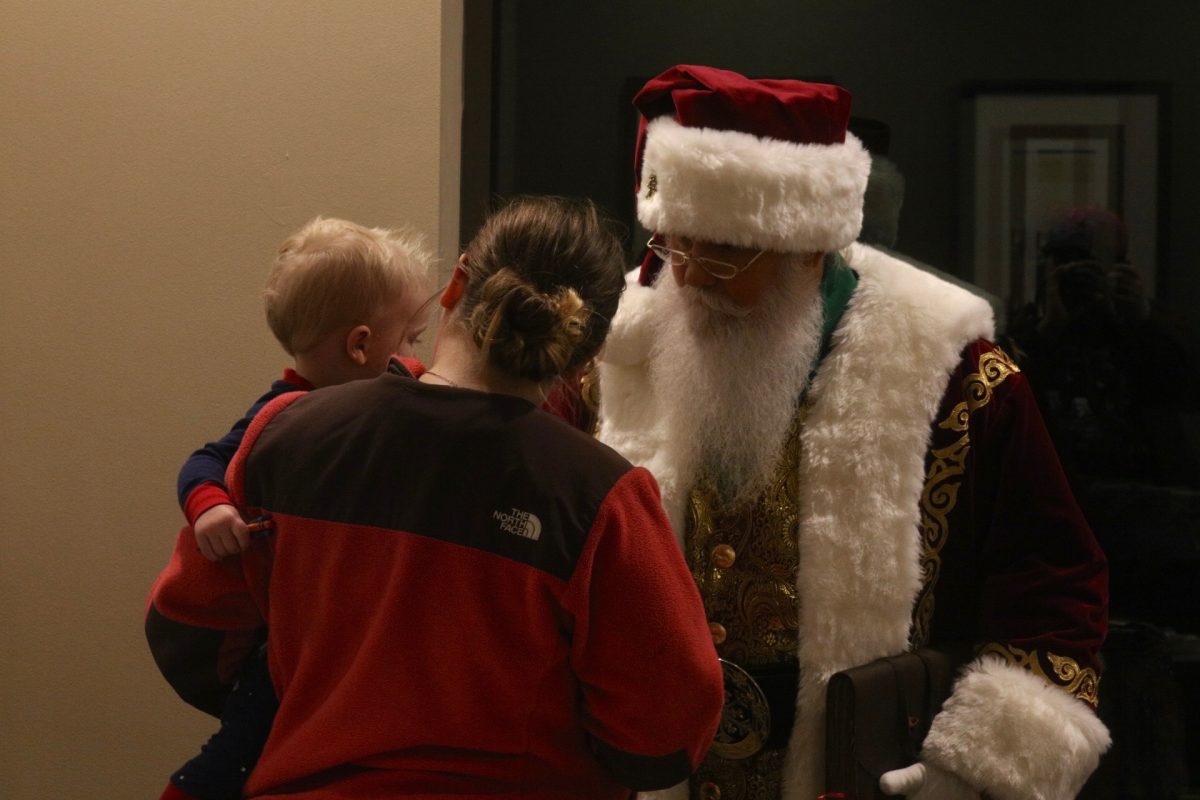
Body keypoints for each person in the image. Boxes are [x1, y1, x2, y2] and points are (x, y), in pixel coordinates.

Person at [596, 65, 1110, 800]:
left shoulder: (956, 380)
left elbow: (1056, 593)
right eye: (675, 246)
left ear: (809, 249)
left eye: (724, 252)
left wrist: (972, 774)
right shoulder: (621, 351)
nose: (689, 280)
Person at [146, 195, 725, 798]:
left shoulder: (287, 436)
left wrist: (304, 695)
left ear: (456, 283)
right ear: (586, 352)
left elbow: (188, 629)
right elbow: (668, 725)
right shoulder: (600, 495)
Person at [158, 215, 436, 800]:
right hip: (283, 637)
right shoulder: (281, 414)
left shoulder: (392, 407)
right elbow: (204, 462)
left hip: (343, 623)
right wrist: (210, 509)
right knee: (239, 754)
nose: (418, 353)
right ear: (362, 345)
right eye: (410, 337)